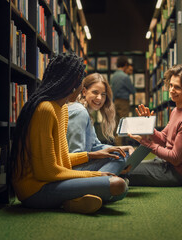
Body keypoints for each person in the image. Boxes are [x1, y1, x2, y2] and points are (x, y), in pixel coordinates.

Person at [9, 53, 128, 214]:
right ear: (73, 83)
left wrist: (94, 155)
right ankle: (75, 198)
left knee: (119, 161)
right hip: (36, 190)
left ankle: (72, 202)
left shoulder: (63, 108)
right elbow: (47, 172)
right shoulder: (45, 109)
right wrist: (94, 175)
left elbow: (62, 160)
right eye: (81, 82)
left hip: (54, 180)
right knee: (119, 185)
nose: (81, 87)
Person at [127, 64, 182, 187]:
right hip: (164, 163)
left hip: (175, 173)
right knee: (123, 166)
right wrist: (148, 127)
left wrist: (146, 142)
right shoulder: (176, 110)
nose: (171, 90)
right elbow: (164, 139)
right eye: (171, 85)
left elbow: (175, 158)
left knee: (123, 171)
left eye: (177, 87)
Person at [67, 73, 134, 175]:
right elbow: (75, 155)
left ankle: (109, 180)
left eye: (103, 94)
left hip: (80, 166)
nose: (99, 98)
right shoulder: (80, 112)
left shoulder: (86, 112)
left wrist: (125, 148)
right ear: (84, 91)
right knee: (119, 157)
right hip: (73, 171)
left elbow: (95, 146)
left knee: (122, 154)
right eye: (95, 92)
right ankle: (101, 183)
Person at [110, 56, 136, 146]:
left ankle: (118, 146)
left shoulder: (113, 76)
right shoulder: (125, 77)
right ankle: (120, 147)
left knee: (117, 125)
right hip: (123, 102)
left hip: (115, 102)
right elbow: (133, 90)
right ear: (125, 65)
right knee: (123, 125)